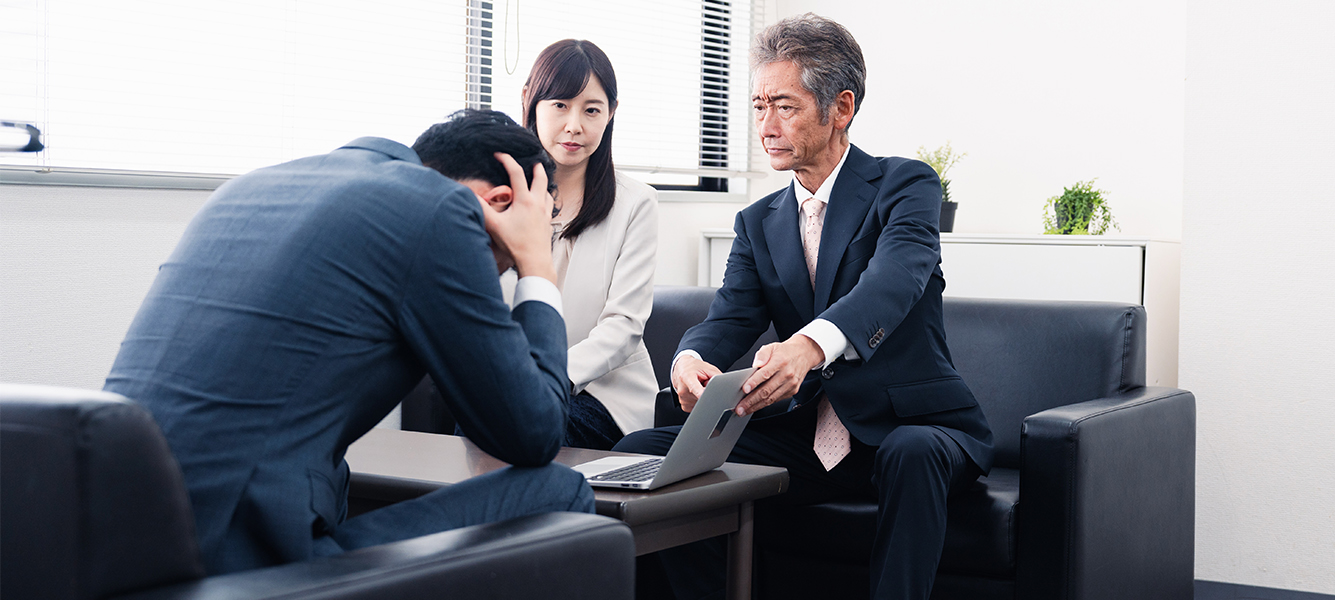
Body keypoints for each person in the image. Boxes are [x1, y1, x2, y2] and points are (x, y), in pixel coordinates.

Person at [104, 109, 593, 576]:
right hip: (232, 556)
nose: (496, 275)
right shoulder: (439, 211)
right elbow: (533, 433)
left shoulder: (254, 186)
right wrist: (536, 265)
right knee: (558, 495)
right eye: (501, 263)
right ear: (501, 203)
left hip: (111, 542)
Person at [613, 14, 994, 600]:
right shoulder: (756, 221)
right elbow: (731, 317)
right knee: (639, 454)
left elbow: (894, 281)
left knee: (911, 452)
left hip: (914, 425)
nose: (766, 126)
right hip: (807, 436)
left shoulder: (906, 185)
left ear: (840, 107)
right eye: (759, 106)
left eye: (784, 106)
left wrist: (807, 348)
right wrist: (688, 357)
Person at [521, 39, 660, 449]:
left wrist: (551, 376)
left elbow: (624, 325)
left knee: (529, 424)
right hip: (516, 380)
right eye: (560, 105)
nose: (574, 125)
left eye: (592, 110)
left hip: (605, 393)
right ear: (531, 103)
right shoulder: (502, 197)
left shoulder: (636, 203)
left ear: (611, 113)